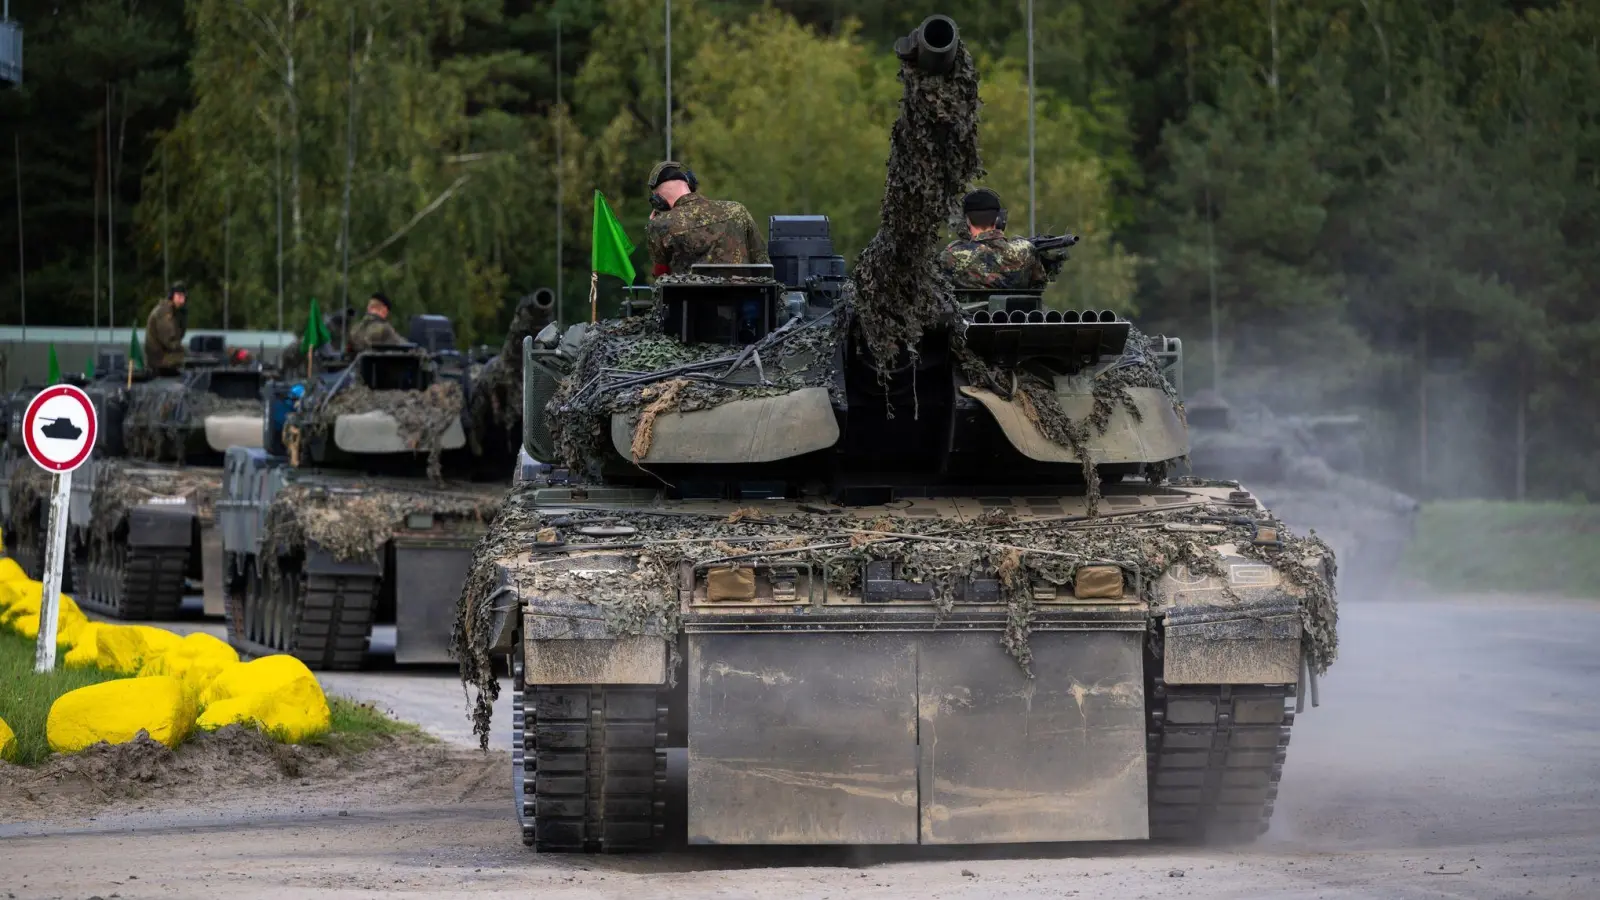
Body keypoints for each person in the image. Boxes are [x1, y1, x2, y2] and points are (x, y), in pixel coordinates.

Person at [644, 161, 770, 276]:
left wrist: (653, 226)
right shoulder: (737, 210)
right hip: (742, 299)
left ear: (658, 200)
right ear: (690, 184)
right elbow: (762, 262)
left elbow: (661, 276)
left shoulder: (659, 225)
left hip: (690, 300)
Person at [937, 188, 1048, 290]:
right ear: (998, 219)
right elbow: (1039, 284)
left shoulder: (951, 255)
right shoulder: (1025, 250)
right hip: (1016, 311)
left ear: (967, 221)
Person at [144, 282, 188, 374]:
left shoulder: (174, 312)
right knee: (188, 358)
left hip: (163, 356)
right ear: (172, 296)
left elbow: (179, 336)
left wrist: (182, 318)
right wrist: (182, 350)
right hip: (159, 359)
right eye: (179, 296)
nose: (181, 300)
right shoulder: (164, 312)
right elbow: (170, 341)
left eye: (183, 297)